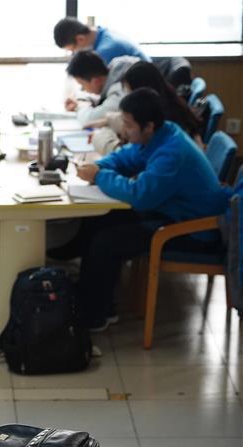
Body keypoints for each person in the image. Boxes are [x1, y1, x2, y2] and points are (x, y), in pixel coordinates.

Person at [72, 88, 229, 330]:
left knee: (107, 241)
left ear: (149, 126)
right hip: (172, 213)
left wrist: (101, 176)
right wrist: (98, 167)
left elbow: (141, 196)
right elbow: (126, 157)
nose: (124, 130)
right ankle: (93, 300)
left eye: (129, 125)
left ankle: (95, 315)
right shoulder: (160, 135)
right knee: (99, 220)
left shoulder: (172, 152)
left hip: (194, 231)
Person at [91, 60, 203, 154]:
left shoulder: (162, 122)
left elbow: (136, 160)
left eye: (130, 93)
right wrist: (109, 121)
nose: (129, 99)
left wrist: (104, 140)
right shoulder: (170, 103)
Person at [65, 50, 138, 127]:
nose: (82, 89)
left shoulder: (121, 88)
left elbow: (89, 120)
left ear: (96, 81)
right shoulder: (117, 68)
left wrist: (80, 106)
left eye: (82, 84)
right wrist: (86, 100)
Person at [53, 17, 149, 63]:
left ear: (80, 39)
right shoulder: (103, 32)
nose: (74, 53)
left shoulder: (106, 51)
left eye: (73, 50)